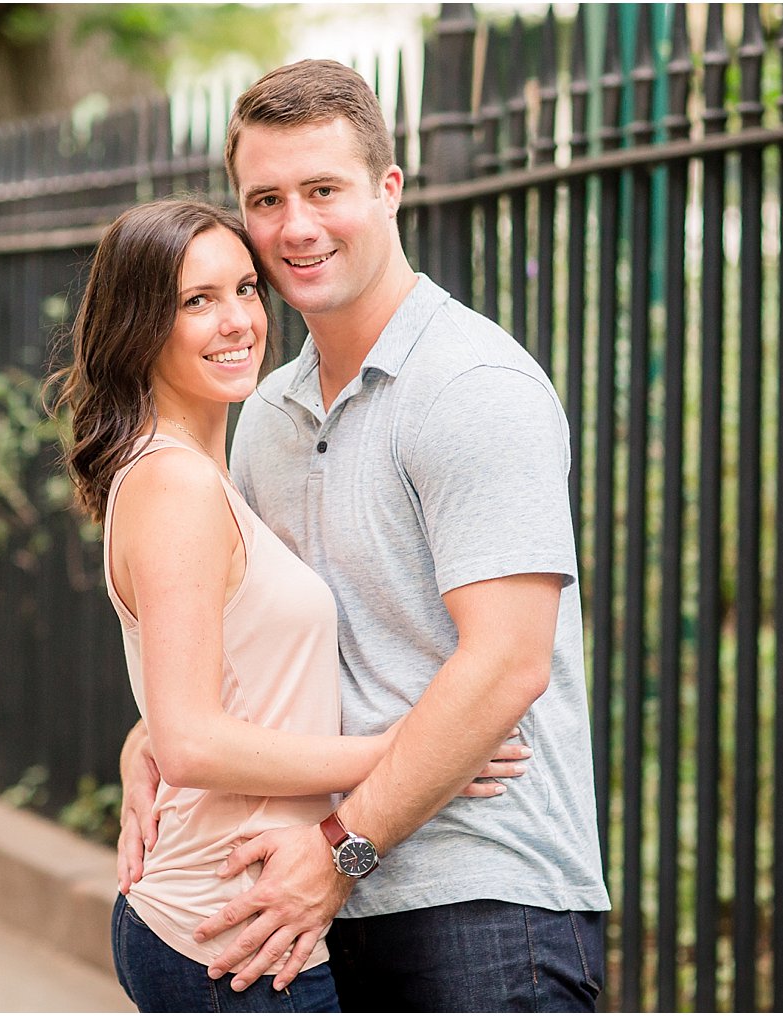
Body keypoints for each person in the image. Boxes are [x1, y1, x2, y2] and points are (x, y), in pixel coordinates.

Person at [117, 61, 610, 1012]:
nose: (296, 226)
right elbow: (258, 646)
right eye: (267, 198)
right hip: (321, 905)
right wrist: (154, 737)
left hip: (484, 898)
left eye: (324, 190)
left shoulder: (473, 388)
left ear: (388, 191)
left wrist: (341, 851)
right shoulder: (265, 415)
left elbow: (508, 667)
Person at [51, 198, 528, 1013]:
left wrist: (146, 741)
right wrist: (417, 754)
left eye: (244, 288)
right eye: (196, 301)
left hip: (249, 919)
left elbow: (199, 695)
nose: (238, 320)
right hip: (228, 928)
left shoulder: (199, 469)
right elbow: (194, 741)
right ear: (139, 327)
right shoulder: (172, 484)